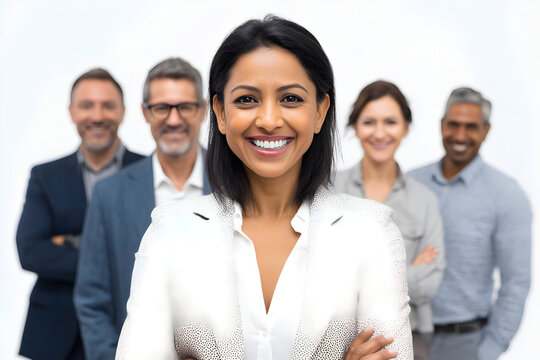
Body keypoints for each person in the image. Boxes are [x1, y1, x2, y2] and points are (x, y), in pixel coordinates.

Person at [116, 16, 412, 360]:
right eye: (246, 100)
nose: (269, 120)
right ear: (220, 112)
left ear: (320, 111)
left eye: (290, 98)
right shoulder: (168, 232)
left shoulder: (371, 232)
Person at [74, 57, 211, 360]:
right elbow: (92, 298)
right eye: (162, 108)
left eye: (185, 107)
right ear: (145, 113)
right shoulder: (109, 194)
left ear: (203, 110)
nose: (173, 120)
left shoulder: (238, 184)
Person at [16, 68, 144, 360]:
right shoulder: (45, 176)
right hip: (54, 336)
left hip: (128, 331)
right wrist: (114, 256)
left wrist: (72, 242)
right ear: (72, 112)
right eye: (86, 106)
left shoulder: (148, 172)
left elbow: (156, 250)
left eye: (107, 105)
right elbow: (30, 251)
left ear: (123, 112)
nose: (97, 116)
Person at [409, 87, 532, 360]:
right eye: (453, 124)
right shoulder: (410, 183)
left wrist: (489, 350)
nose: (460, 136)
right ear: (442, 125)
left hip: (464, 345)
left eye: (471, 127)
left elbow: (516, 282)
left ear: (486, 131)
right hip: (406, 339)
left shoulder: (506, 195)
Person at [334, 80, 444, 360]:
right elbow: (314, 276)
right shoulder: (329, 190)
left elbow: (428, 287)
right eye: (369, 122)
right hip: (339, 340)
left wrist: (355, 279)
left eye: (391, 122)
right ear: (355, 127)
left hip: (410, 339)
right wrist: (410, 272)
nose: (380, 133)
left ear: (405, 128)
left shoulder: (424, 200)